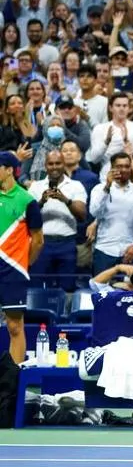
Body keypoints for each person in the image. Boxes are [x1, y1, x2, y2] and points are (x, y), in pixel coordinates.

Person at [0, 151, 43, 364]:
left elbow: (38, 240)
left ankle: (13, 378)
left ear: (9, 170)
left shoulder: (27, 200)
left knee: (15, 326)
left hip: (12, 271)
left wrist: (24, 264)